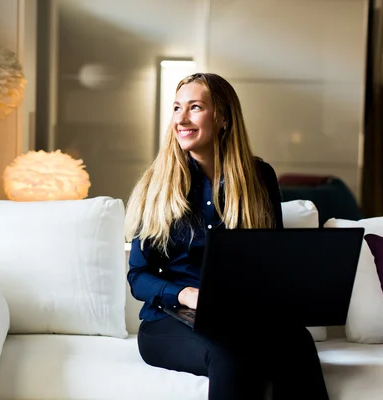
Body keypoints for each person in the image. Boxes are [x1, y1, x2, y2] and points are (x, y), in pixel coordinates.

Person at [124, 73, 328, 400]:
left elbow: (272, 260)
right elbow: (137, 276)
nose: (182, 119)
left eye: (195, 107)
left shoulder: (259, 177)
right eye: (177, 108)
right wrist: (186, 294)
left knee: (297, 341)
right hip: (168, 320)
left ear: (222, 117)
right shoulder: (156, 184)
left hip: (240, 317)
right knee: (231, 355)